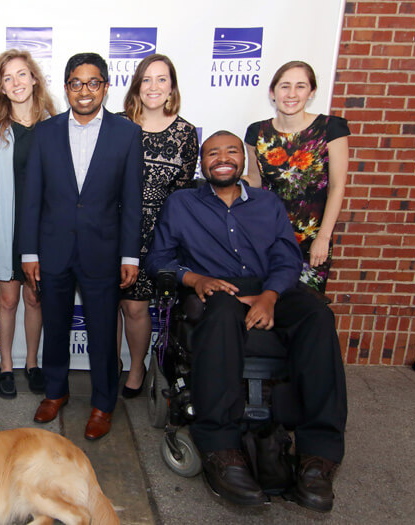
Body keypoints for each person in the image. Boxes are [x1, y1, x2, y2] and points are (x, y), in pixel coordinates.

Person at [145, 131, 347, 512]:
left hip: (269, 287)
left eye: (231, 151)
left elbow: (288, 258)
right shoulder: (181, 203)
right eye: (212, 152)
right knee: (222, 311)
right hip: (211, 290)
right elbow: (159, 260)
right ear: (202, 164)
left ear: (244, 161)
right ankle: (220, 446)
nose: (222, 158)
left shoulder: (267, 204)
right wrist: (195, 279)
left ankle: (317, 457)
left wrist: (270, 296)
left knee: (317, 315)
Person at [20, 52, 142, 440]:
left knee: (103, 330)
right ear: (67, 87)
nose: (84, 91)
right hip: (52, 248)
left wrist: (129, 254)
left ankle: (103, 403)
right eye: (76, 83)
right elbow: (31, 197)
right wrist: (29, 252)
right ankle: (56, 391)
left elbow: (131, 201)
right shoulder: (45, 132)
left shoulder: (127, 134)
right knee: (55, 324)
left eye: (93, 83)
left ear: (106, 86)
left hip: (103, 251)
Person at [0, 50, 56, 399]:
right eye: (8, 78)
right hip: (7, 229)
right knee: (7, 300)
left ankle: (32, 363)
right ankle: (6, 366)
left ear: (34, 79)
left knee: (34, 299)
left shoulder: (55, 125)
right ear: (1, 88)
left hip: (44, 229)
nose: (17, 83)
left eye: (22, 75)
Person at [117, 54, 198, 398]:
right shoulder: (117, 125)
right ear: (137, 86)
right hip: (111, 230)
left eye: (161, 79)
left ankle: (137, 367)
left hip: (157, 234)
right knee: (107, 304)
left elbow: (182, 196)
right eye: (146, 79)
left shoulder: (185, 134)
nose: (153, 87)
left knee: (135, 306)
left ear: (172, 87)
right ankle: (109, 367)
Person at [244, 60, 350, 294]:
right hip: (265, 236)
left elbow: (337, 186)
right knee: (266, 305)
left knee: (305, 308)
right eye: (285, 86)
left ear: (311, 92)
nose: (291, 94)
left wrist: (324, 237)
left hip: (312, 239)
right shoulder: (257, 132)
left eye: (300, 86)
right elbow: (255, 180)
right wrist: (227, 182)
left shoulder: (330, 129)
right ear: (273, 93)